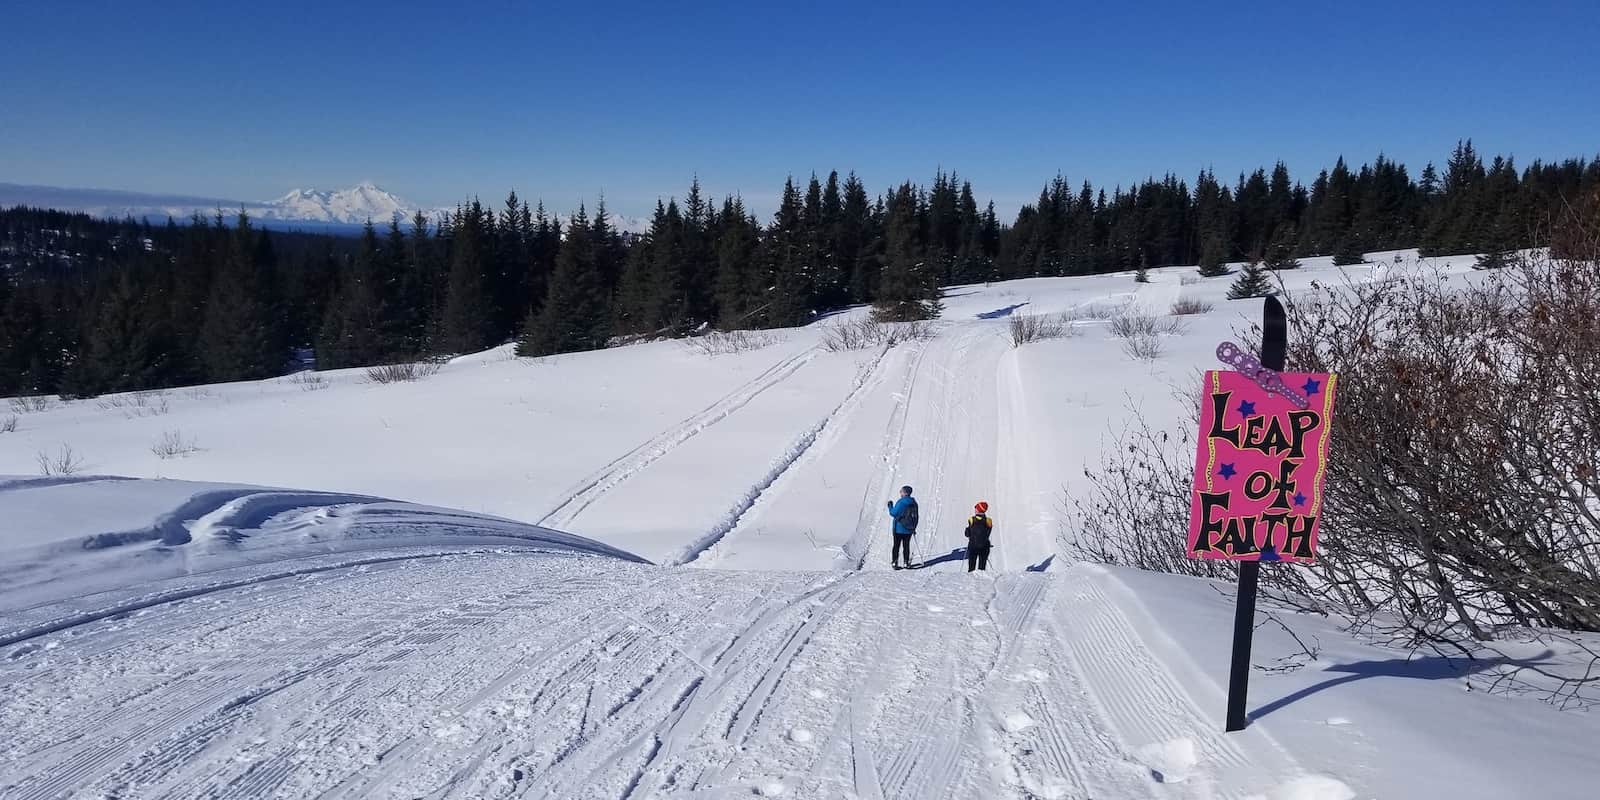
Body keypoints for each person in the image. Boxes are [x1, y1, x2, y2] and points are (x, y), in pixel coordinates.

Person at [886, 485, 918, 569]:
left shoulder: (901, 502)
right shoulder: (914, 503)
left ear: (905, 493)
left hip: (898, 528)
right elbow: (916, 516)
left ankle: (894, 562)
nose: (900, 492)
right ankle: (906, 562)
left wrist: (890, 506)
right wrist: (914, 527)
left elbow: (893, 513)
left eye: (901, 491)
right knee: (906, 546)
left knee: (896, 545)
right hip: (909, 529)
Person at [965, 502, 993, 572]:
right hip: (984, 546)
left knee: (971, 568)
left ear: (978, 510)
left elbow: (967, 534)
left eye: (976, 508)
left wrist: (967, 530)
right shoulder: (989, 521)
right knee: (982, 569)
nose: (975, 509)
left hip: (973, 546)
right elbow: (988, 532)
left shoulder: (971, 519)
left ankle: (970, 581)